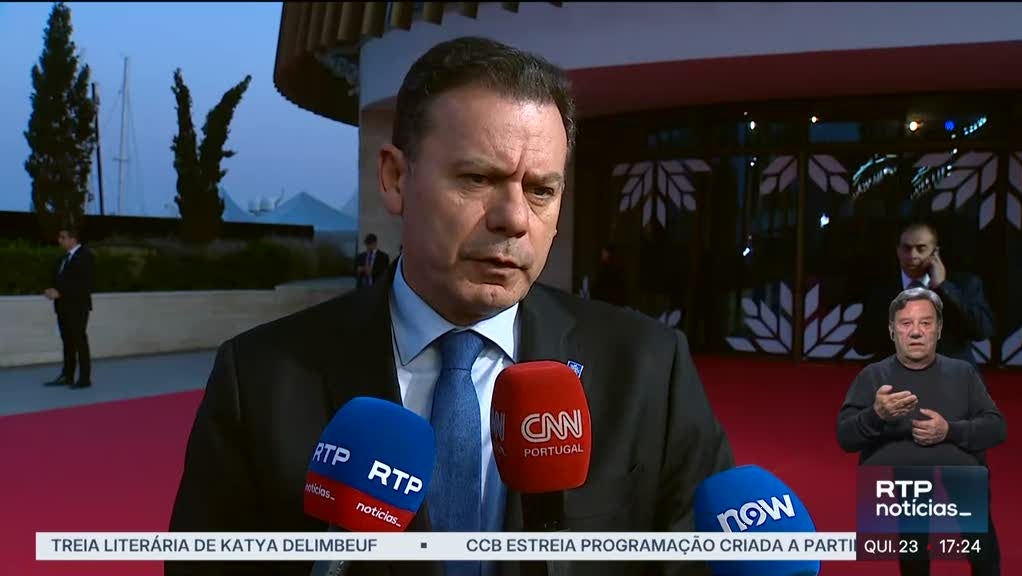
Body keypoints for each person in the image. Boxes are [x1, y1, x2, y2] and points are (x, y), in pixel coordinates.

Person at [168, 36, 733, 576]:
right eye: (478, 178)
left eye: (541, 190)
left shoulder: (648, 369)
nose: (514, 218)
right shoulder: (260, 380)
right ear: (395, 178)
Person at [837, 288, 1006, 576]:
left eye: (925, 323)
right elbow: (846, 437)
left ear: (938, 330)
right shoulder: (874, 376)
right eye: (906, 323)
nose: (916, 332)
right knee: (913, 547)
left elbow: (996, 428)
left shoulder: (963, 373)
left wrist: (949, 430)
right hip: (907, 479)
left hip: (963, 474)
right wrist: (876, 415)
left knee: (981, 547)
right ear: (892, 330)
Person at [853, 221, 994, 366]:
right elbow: (862, 347)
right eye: (906, 248)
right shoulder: (881, 290)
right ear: (898, 251)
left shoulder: (965, 284)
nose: (912, 255)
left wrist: (943, 287)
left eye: (921, 249)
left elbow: (981, 331)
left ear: (935, 252)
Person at [43, 224, 94, 390]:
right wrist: (50, 289)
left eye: (63, 237)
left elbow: (84, 283)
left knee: (79, 341)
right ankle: (67, 375)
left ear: (73, 239)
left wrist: (60, 292)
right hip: (62, 307)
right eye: (59, 237)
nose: (59, 240)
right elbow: (57, 278)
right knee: (67, 342)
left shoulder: (85, 256)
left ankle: (84, 378)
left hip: (77, 307)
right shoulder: (63, 258)